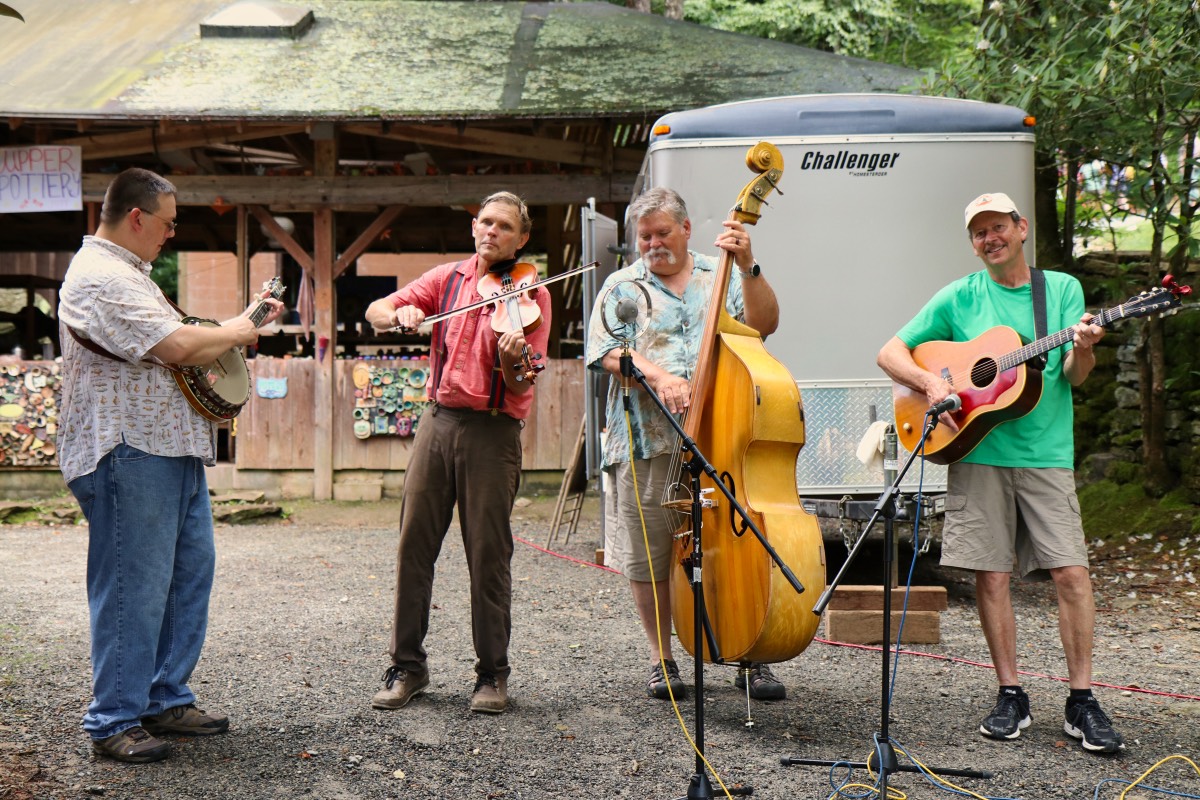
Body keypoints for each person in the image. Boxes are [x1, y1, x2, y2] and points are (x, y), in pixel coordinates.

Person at [876, 192, 1123, 754]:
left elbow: (1074, 374)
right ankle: (1010, 692)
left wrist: (1085, 347)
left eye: (999, 227)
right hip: (978, 451)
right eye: (979, 232)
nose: (991, 238)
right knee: (991, 576)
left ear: (1021, 228)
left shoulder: (1059, 290)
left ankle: (1081, 700)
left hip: (1045, 455)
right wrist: (935, 386)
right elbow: (890, 352)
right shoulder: (959, 296)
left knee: (1071, 575)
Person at [57, 167, 285, 764]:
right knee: (134, 585)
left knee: (186, 574)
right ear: (136, 217)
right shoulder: (102, 276)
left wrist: (235, 328)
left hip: (163, 447)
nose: (171, 234)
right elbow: (178, 346)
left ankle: (162, 695)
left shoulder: (126, 273)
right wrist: (242, 326)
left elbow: (181, 339)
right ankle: (114, 717)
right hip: (126, 449)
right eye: (167, 223)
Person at [584, 187, 788, 701]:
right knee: (649, 553)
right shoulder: (621, 285)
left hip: (723, 435)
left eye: (662, 233)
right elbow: (605, 353)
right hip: (646, 438)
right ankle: (663, 659)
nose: (652, 244)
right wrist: (658, 375)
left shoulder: (718, 274)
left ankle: (749, 654)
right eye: (644, 236)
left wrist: (749, 265)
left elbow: (763, 326)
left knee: (733, 549)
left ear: (687, 228)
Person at [364, 191, 550, 716]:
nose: (492, 232)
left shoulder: (532, 293)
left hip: (493, 431)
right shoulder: (446, 280)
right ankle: (408, 666)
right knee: (413, 546)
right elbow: (377, 309)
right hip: (438, 422)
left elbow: (521, 383)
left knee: (488, 554)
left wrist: (514, 358)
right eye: (485, 222)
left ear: (521, 239)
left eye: (505, 227)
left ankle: (492, 674)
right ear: (474, 227)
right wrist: (400, 315)